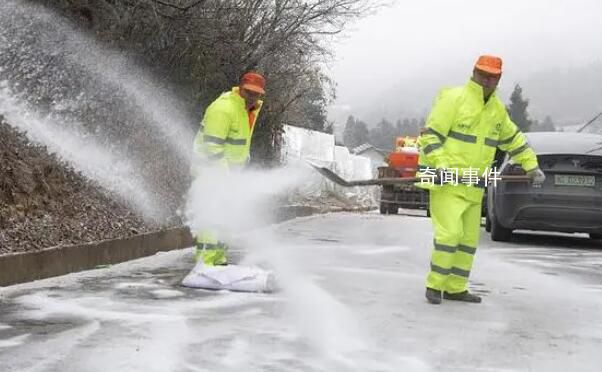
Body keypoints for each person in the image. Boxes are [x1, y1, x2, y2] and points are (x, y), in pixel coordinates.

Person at [417, 55, 546, 304]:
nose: (487, 80)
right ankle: (434, 286)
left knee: (467, 241)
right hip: (447, 182)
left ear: (498, 79)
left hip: (474, 185)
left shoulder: (497, 111)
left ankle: (456, 288)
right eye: (483, 74)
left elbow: (514, 140)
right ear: (474, 73)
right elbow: (430, 137)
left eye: (492, 76)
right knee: (449, 236)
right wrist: (441, 166)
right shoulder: (453, 99)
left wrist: (532, 166)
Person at [191, 71, 266, 265]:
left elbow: (237, 141)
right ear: (240, 89)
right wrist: (223, 175)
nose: (251, 96)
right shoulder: (224, 108)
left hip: (229, 173)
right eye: (248, 92)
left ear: (261, 94)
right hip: (211, 171)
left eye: (255, 93)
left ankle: (218, 258)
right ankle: (205, 262)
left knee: (227, 216)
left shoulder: (247, 110)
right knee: (212, 216)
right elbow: (212, 146)